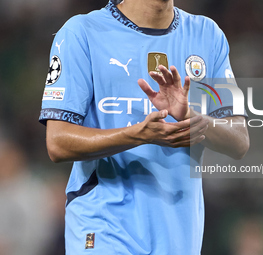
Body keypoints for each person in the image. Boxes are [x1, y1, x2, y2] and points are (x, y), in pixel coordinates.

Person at [39, 0, 250, 254]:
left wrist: (192, 117)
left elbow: (239, 139)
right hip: (104, 226)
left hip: (179, 234)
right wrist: (138, 135)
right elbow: (58, 142)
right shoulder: (81, 32)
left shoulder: (208, 35)